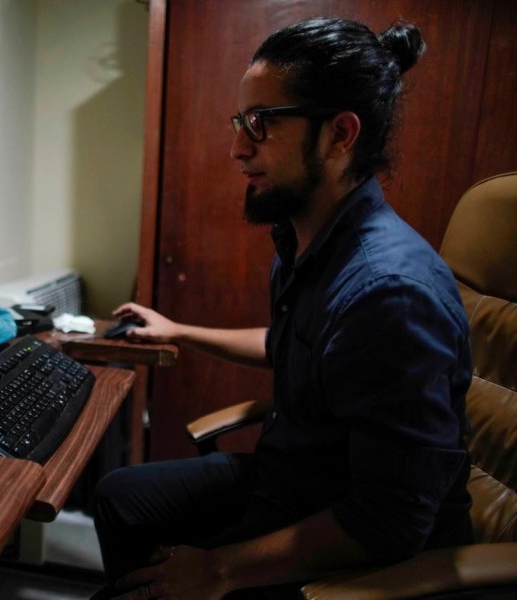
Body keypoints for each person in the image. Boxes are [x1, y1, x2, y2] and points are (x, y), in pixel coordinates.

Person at [93, 18, 473, 600]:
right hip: (293, 480)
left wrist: (219, 571)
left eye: (261, 124)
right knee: (120, 496)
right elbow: (286, 344)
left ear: (339, 134)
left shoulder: (389, 294)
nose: (238, 146)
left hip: (351, 536)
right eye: (240, 121)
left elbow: (390, 519)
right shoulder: (310, 241)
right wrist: (179, 331)